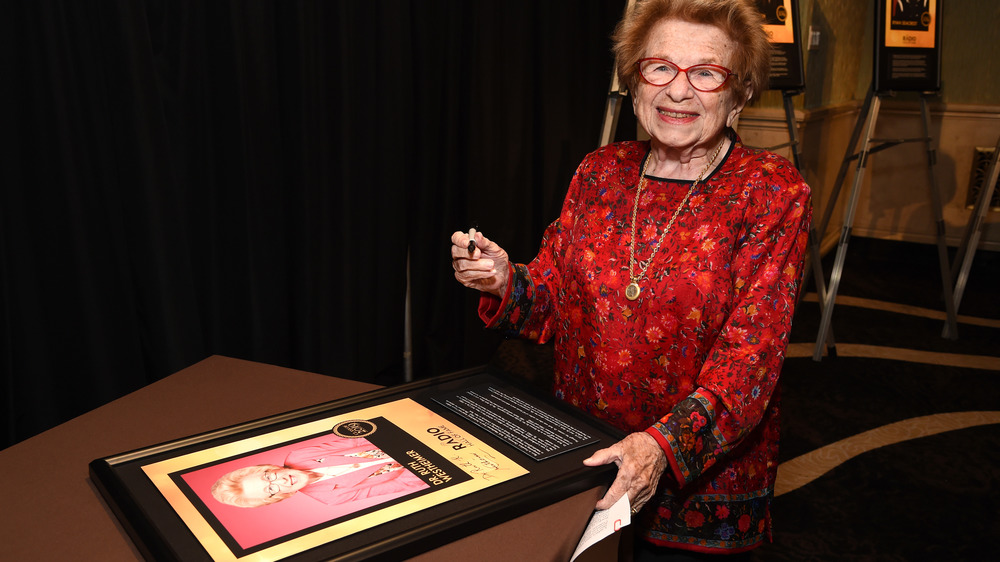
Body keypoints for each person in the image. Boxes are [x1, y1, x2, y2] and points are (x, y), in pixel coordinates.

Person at [451, 0, 810, 558]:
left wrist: (660, 448)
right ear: (634, 79)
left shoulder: (771, 192)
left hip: (701, 489)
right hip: (584, 457)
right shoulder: (598, 173)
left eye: (706, 73)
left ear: (739, 94)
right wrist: (504, 281)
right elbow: (554, 301)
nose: (678, 91)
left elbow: (750, 361)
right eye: (659, 66)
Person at [211, 438, 428, 508]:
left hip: (410, 437)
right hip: (426, 463)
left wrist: (407, 442)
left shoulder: (298, 456)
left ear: (267, 468)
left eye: (268, 476)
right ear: (277, 497)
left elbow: (362, 437)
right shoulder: (329, 497)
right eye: (270, 488)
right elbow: (402, 485)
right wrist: (423, 461)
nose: (281, 480)